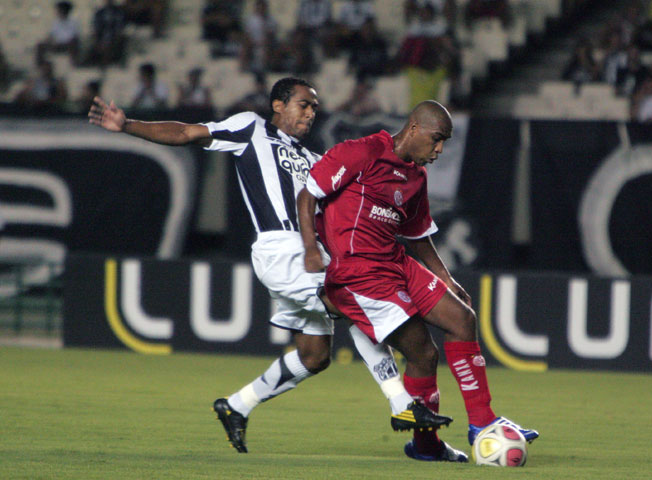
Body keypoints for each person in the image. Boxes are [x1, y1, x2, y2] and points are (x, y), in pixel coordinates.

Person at [87, 77, 450, 454]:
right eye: (303, 104)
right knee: (358, 301)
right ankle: (403, 404)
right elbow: (186, 132)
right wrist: (127, 125)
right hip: (282, 249)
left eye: (314, 107)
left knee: (315, 356)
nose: (311, 112)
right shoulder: (250, 128)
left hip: (315, 256)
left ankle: (237, 405)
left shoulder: (315, 160)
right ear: (278, 105)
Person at [297, 100, 539, 461]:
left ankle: (482, 424)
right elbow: (307, 194)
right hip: (358, 273)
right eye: (437, 139)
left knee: (462, 318)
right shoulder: (361, 152)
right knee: (423, 352)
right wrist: (311, 249)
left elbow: (418, 234)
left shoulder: (414, 177)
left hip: (395, 262)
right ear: (413, 129)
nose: (439, 150)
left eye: (445, 143)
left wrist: (446, 278)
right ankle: (427, 446)